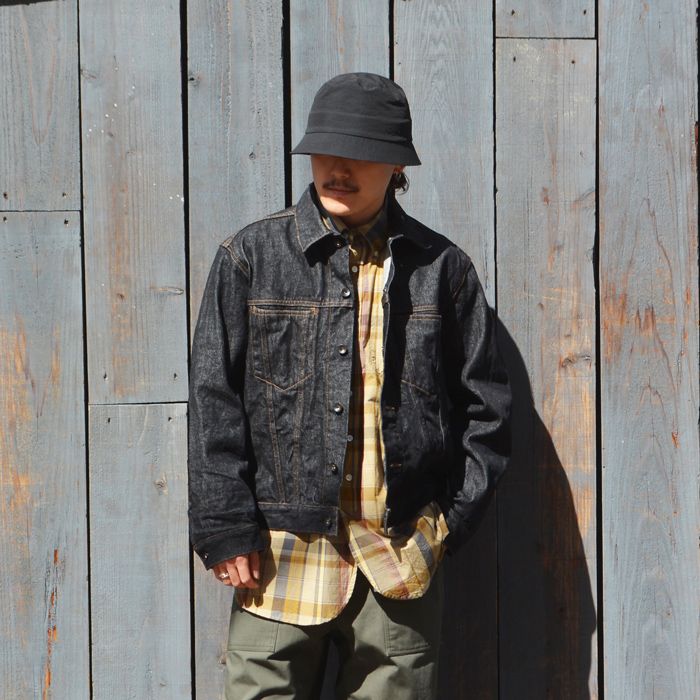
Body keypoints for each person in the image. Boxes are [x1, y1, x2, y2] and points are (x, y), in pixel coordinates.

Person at [188, 72, 511, 700]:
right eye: (325, 150)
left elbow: (487, 411)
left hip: (399, 561)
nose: (338, 167)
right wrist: (224, 527)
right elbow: (213, 400)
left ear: (397, 166)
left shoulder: (441, 270)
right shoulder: (253, 257)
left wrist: (446, 526)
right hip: (276, 560)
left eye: (361, 152)